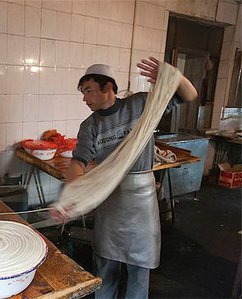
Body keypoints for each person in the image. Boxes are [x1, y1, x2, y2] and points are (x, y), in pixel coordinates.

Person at [64, 57, 198, 299]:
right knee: (106, 266)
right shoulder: (90, 126)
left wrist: (173, 76)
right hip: (111, 198)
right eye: (83, 92)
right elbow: (78, 161)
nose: (85, 98)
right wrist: (72, 193)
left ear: (108, 87)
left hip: (142, 200)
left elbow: (189, 95)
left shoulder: (141, 105)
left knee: (139, 268)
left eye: (89, 91)